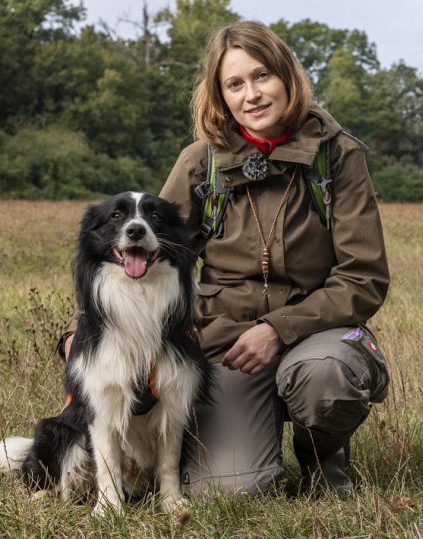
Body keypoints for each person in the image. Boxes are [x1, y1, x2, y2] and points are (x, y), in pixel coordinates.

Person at [58, 20, 390, 496]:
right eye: (234, 83)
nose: (251, 94)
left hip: (319, 335)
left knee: (327, 378)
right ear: (219, 94)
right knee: (229, 488)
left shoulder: (338, 157)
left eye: (262, 76)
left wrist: (278, 329)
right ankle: (251, 440)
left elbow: (364, 277)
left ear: (288, 78)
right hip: (230, 347)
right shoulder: (201, 162)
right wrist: (81, 328)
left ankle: (323, 459)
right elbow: (147, 252)